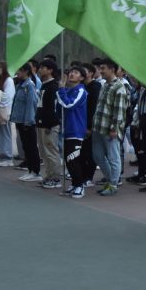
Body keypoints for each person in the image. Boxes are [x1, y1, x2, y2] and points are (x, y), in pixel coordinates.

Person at [91, 59, 130, 196]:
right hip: (98, 127)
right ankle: (110, 180)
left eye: (103, 68)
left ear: (112, 69)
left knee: (113, 157)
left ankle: (113, 184)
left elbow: (119, 110)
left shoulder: (119, 87)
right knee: (97, 156)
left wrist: (114, 128)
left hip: (110, 129)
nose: (101, 71)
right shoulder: (105, 85)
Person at [57, 66, 89, 198]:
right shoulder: (68, 90)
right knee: (68, 160)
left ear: (81, 77)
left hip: (76, 130)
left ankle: (80, 186)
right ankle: (75, 184)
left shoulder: (81, 91)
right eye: (71, 72)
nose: (71, 74)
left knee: (73, 159)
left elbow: (69, 104)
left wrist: (61, 89)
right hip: (67, 130)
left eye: (76, 72)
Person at [11, 64, 41, 182]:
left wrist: (28, 121)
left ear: (26, 72)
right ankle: (30, 170)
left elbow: (31, 104)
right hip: (20, 120)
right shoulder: (20, 85)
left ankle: (36, 172)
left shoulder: (29, 86)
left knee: (31, 147)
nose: (17, 73)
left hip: (27, 122)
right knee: (26, 147)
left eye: (19, 70)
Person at [34, 60, 62, 189]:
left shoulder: (53, 86)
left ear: (50, 70)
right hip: (41, 123)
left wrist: (49, 125)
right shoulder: (44, 85)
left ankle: (55, 178)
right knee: (44, 152)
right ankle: (48, 176)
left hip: (49, 125)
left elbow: (53, 108)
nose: (40, 70)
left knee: (51, 151)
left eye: (43, 68)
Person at [0, 61, 16, 166]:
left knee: (5, 133)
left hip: (5, 110)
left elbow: (8, 96)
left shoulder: (9, 80)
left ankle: (8, 157)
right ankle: (2, 155)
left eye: (0, 67)